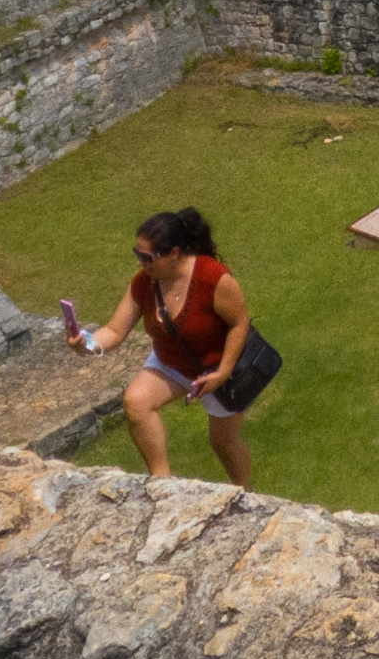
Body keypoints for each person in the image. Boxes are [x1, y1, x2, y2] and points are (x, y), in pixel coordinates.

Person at [88, 203, 265, 486]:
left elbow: (239, 323)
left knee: (224, 444)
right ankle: (163, 484)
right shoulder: (144, 283)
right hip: (171, 361)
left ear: (174, 253)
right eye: (137, 254)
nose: (140, 263)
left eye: (147, 257)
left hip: (218, 368)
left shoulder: (213, 277)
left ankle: (245, 495)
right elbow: (114, 331)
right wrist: (86, 344)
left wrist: (222, 373)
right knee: (136, 403)